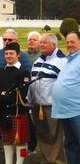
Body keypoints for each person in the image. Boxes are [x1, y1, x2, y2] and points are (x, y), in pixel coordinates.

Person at [28, 33, 67, 163]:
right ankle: (48, 158)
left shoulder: (62, 61)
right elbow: (32, 82)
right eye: (41, 42)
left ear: (54, 44)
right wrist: (29, 100)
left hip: (52, 105)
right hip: (36, 105)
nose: (41, 45)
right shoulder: (38, 60)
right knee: (42, 133)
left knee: (54, 135)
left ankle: (57, 161)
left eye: (45, 42)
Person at [0, 42, 31, 164]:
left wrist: (2, 97)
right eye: (6, 53)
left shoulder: (23, 72)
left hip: (17, 110)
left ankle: (20, 162)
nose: (8, 56)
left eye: (11, 53)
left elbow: (21, 93)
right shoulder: (1, 71)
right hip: (3, 111)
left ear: (18, 55)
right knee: (7, 140)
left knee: (21, 142)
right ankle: (8, 162)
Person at [52, 31, 80, 163]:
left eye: (72, 42)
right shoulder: (70, 59)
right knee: (71, 144)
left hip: (77, 110)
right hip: (66, 110)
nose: (69, 45)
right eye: (67, 42)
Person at [25, 31, 41, 154]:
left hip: (38, 91)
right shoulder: (23, 55)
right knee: (27, 120)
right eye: (29, 39)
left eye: (34, 39)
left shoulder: (42, 56)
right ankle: (30, 145)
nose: (31, 41)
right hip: (25, 91)